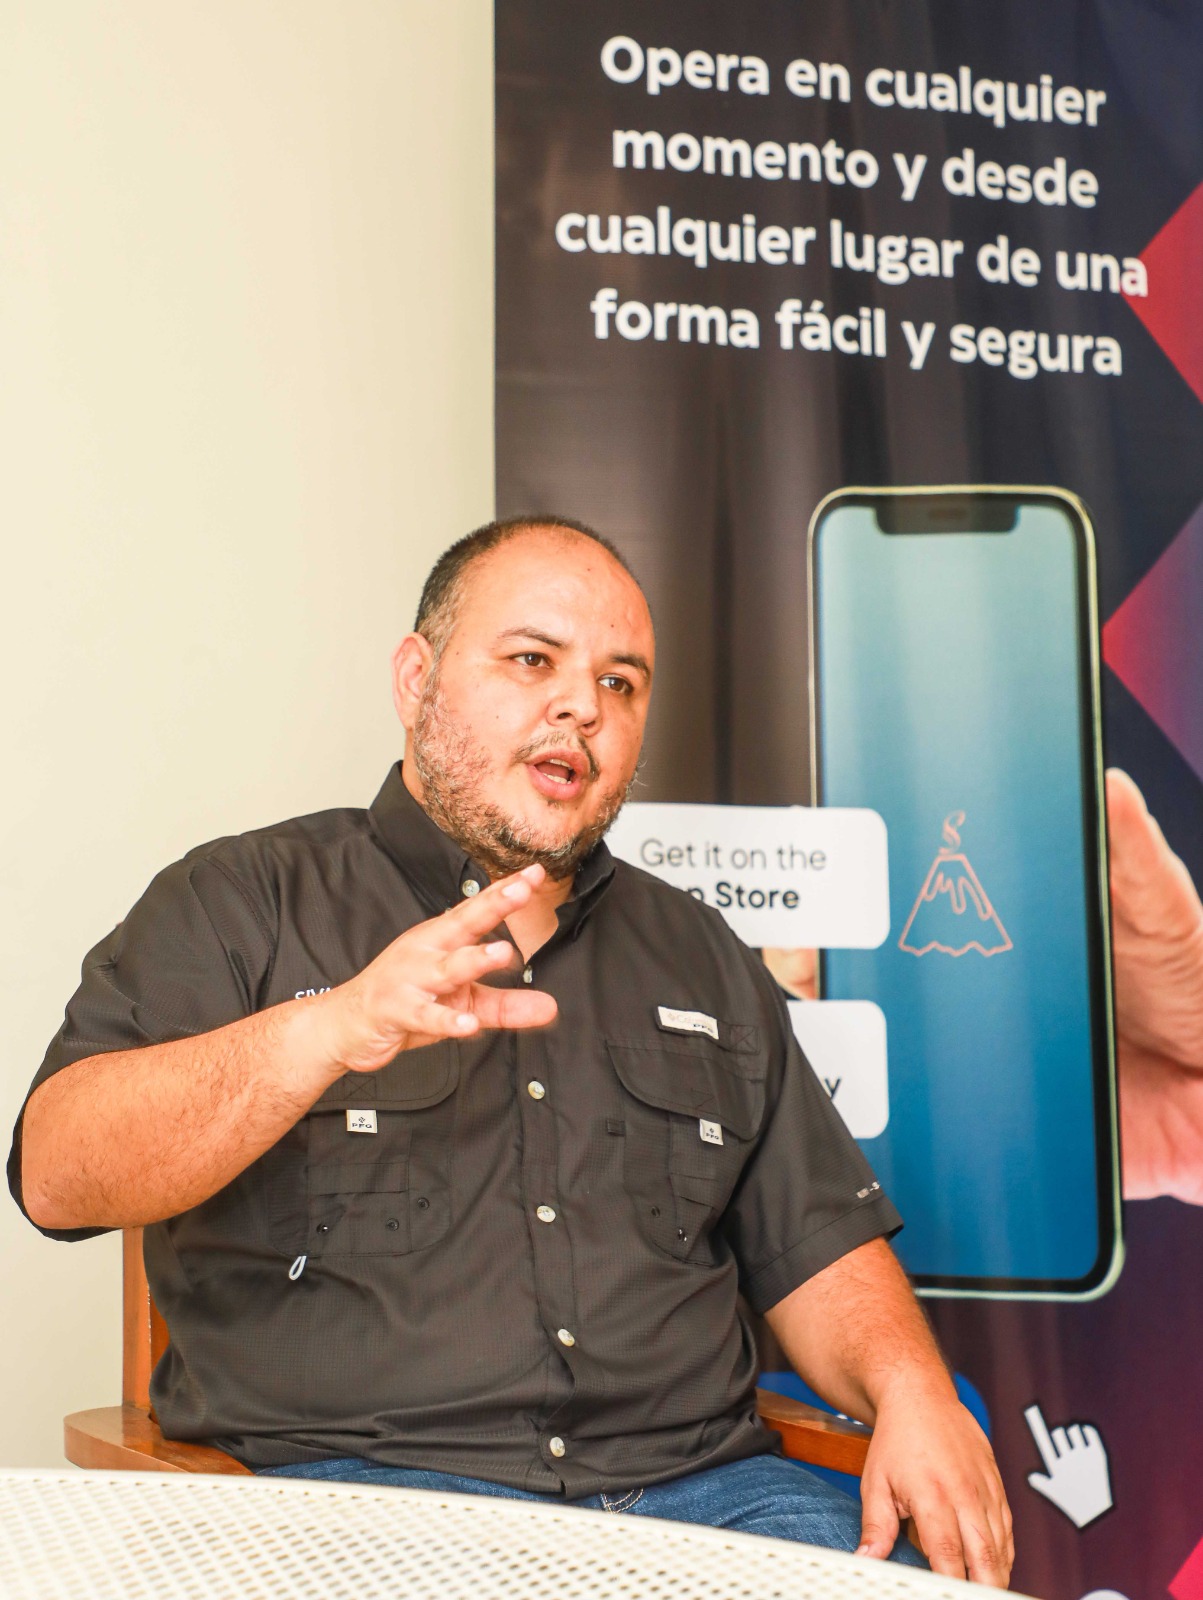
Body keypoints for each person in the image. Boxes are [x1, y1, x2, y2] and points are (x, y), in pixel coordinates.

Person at [10, 517, 1011, 1584]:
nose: (584, 706)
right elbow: (58, 1175)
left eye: (620, 683)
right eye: (534, 660)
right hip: (369, 1509)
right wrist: (329, 1028)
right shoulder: (243, 900)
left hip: (709, 1500)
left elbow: (817, 1245)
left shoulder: (702, 952)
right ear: (416, 680)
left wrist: (914, 1391)